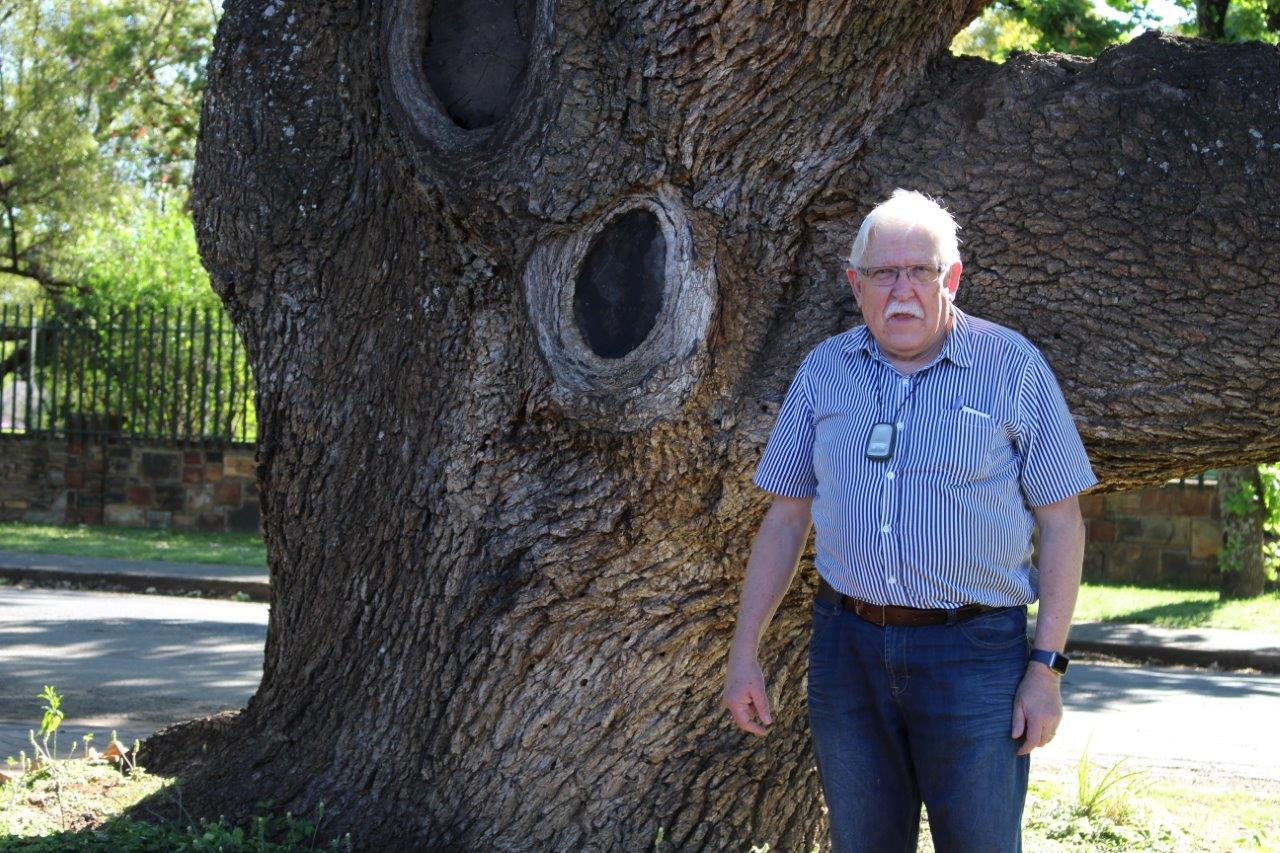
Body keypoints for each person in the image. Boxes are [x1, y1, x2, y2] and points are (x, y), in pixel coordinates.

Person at [721, 189, 1096, 851]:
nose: (901, 290)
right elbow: (784, 518)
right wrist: (743, 652)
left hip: (975, 655)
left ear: (951, 278)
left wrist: (1046, 668)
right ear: (855, 284)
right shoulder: (823, 373)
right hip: (848, 649)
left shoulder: (1013, 367)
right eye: (882, 273)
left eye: (919, 271)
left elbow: (1062, 519)